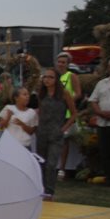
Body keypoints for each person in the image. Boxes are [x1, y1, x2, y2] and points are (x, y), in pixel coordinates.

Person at [34, 68, 77, 200]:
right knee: (41, 162)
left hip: (56, 132)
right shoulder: (41, 94)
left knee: (52, 164)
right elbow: (39, 111)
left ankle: (49, 192)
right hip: (42, 132)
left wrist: (64, 128)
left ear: (56, 79)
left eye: (50, 77)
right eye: (45, 77)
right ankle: (40, 189)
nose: (47, 79)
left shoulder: (64, 94)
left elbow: (74, 114)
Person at [89, 57, 110, 186]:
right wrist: (100, 112)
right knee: (105, 151)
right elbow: (93, 100)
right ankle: (109, 178)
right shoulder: (102, 83)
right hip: (103, 123)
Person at [56, 52, 83, 176]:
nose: (60, 64)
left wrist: (68, 100)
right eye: (59, 62)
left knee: (65, 140)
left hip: (67, 112)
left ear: (67, 64)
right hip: (55, 112)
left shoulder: (71, 76)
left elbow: (78, 93)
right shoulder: (53, 76)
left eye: (63, 62)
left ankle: (63, 168)